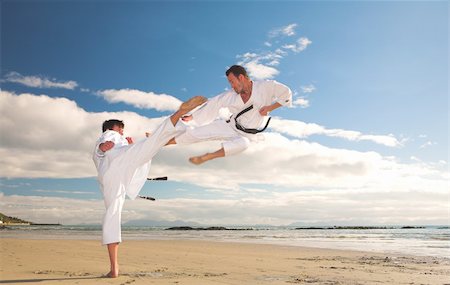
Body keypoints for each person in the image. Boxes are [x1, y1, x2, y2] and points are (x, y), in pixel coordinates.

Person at [92, 96, 206, 278]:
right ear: (110, 128)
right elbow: (100, 149)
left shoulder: (119, 139)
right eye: (119, 127)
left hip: (117, 173)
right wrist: (102, 148)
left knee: (112, 215)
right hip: (117, 168)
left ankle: (114, 268)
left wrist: (123, 147)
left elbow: (103, 153)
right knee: (150, 144)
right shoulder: (109, 134)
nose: (121, 130)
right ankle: (176, 117)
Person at [166, 65, 292, 164]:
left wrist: (271, 107)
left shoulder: (266, 87)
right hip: (230, 126)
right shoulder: (230, 95)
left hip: (248, 135)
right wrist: (193, 116)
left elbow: (286, 93)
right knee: (197, 133)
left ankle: (209, 156)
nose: (231, 85)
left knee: (244, 144)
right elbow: (214, 103)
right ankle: (163, 141)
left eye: (232, 81)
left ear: (241, 78)